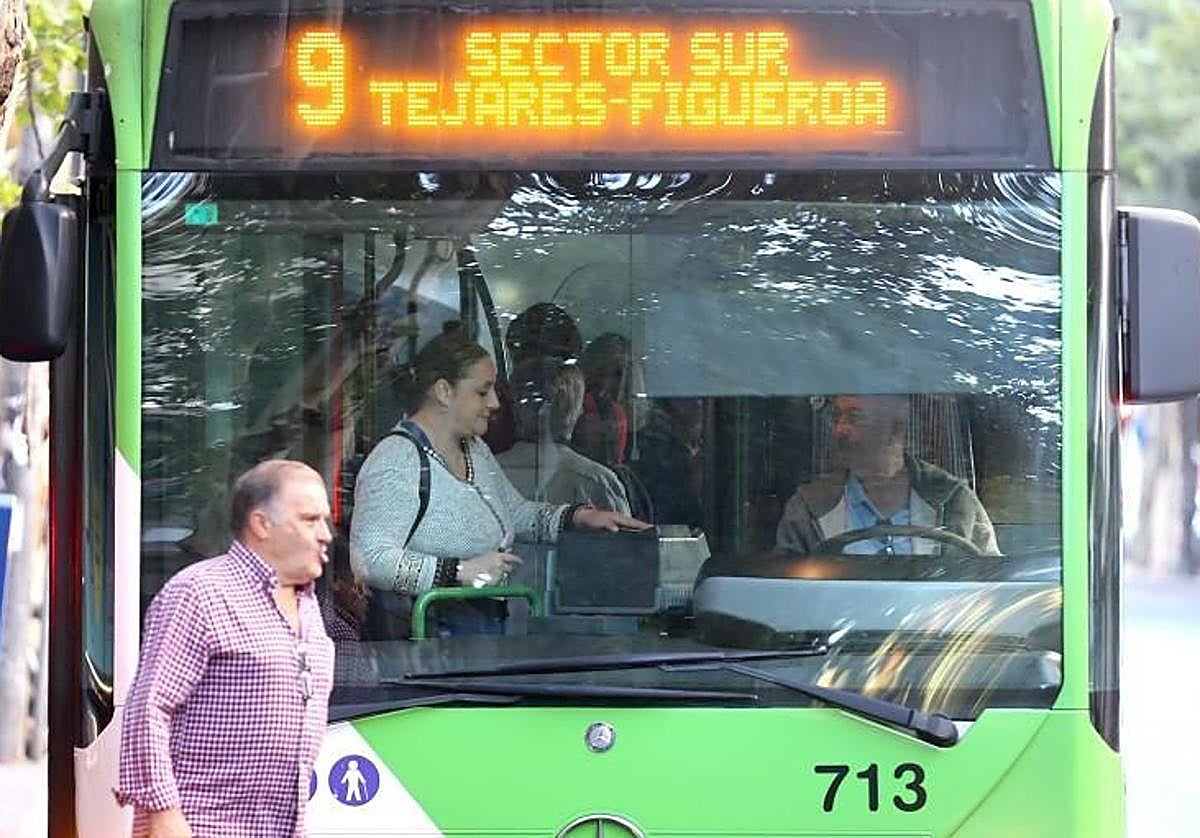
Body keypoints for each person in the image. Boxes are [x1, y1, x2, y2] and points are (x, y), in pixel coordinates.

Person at [350, 325, 647, 637]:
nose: (494, 403)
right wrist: (461, 572)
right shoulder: (397, 460)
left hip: (479, 625)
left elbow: (514, 513)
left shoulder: (474, 450)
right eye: (482, 391)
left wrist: (578, 517)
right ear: (444, 392)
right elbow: (370, 559)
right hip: (426, 633)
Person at [114, 460, 335, 838]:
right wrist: (164, 813)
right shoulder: (201, 592)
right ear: (261, 524)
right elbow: (149, 706)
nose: (326, 534)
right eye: (310, 520)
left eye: (324, 520)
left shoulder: (309, 606)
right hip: (200, 826)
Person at [775, 395, 999, 556]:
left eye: (854, 418)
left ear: (895, 429)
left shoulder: (956, 503)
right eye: (837, 417)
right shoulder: (808, 509)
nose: (839, 430)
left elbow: (990, 589)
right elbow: (787, 595)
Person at [496, 356, 631, 514]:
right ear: (576, 410)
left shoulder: (484, 474)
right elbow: (623, 536)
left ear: (515, 408)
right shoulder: (597, 481)